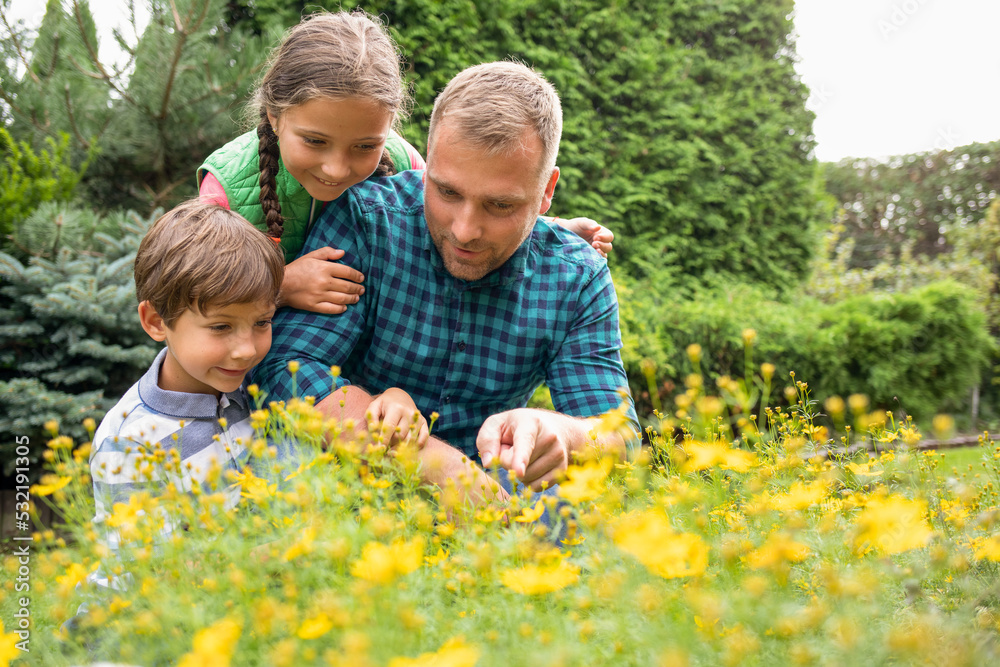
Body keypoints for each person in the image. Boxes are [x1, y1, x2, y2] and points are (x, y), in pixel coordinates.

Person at [254, 62, 639, 507]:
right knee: (283, 459)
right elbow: (285, 367)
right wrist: (436, 467)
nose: (464, 230)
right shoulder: (367, 218)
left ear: (546, 191)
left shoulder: (577, 276)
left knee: (582, 516)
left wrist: (563, 434)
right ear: (428, 162)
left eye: (500, 205)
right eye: (447, 193)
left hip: (498, 490)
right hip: (357, 469)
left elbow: (619, 434)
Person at [87, 201, 424, 591]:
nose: (246, 349)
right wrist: (296, 547)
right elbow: (155, 577)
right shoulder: (128, 442)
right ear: (156, 322)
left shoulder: (259, 388)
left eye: (262, 322)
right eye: (221, 326)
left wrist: (397, 398)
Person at [198, 10, 613, 317]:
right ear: (275, 116)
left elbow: (452, 221)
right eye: (315, 141)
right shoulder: (228, 189)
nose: (336, 169)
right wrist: (282, 285)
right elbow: (192, 296)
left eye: (364, 146)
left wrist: (547, 231)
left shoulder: (401, 161)